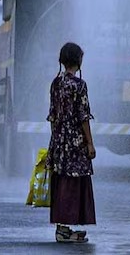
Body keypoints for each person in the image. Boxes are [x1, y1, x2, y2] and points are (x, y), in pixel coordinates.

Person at [45, 42, 96, 243]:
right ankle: (63, 230)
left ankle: (62, 227)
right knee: (73, 184)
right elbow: (83, 117)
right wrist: (90, 143)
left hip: (58, 140)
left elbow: (52, 115)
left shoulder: (55, 83)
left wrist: (56, 140)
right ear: (79, 60)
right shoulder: (80, 85)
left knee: (61, 182)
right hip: (75, 141)